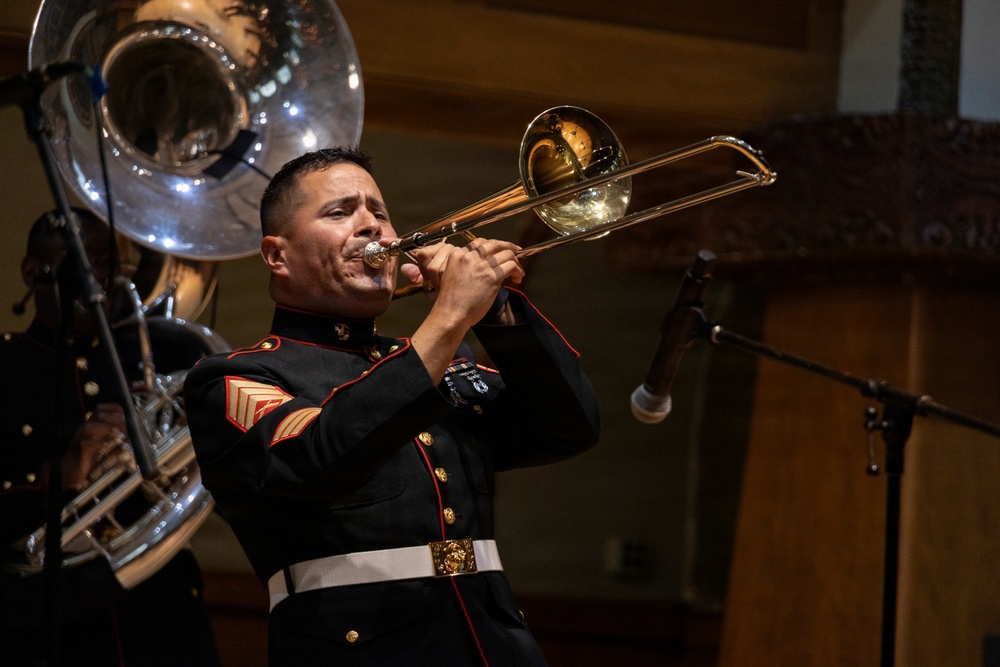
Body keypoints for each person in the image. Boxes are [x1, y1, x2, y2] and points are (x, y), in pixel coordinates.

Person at [183, 146, 601, 666]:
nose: (373, 228)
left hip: (493, 645)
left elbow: (568, 428)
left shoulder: (434, 361)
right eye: (340, 213)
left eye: (378, 213)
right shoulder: (237, 378)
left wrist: (497, 311)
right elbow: (321, 457)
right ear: (277, 255)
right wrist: (448, 319)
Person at [0, 209, 221, 666]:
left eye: (110, 263)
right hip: (51, 628)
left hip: (162, 614)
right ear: (31, 270)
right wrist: (56, 475)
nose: (101, 279)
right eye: (83, 261)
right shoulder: (7, 367)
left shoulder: (155, 357)